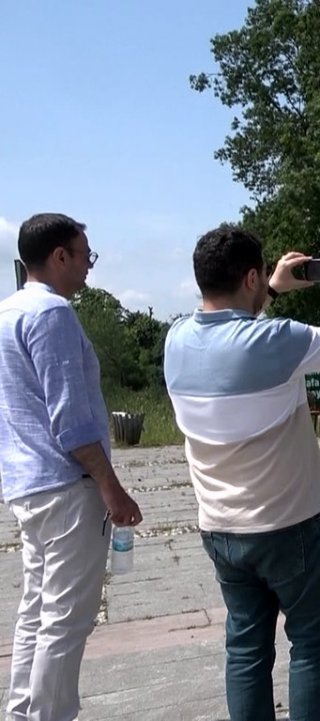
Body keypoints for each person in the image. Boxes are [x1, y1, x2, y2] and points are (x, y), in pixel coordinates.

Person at [163, 225, 320, 721]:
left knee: (247, 648)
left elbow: (233, 331)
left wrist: (271, 288)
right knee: (312, 645)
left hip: (220, 529)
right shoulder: (276, 338)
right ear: (250, 275)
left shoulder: (176, 340)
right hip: (290, 525)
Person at [0, 212, 144, 721]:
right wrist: (112, 489)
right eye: (86, 255)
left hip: (26, 484)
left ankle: (22, 712)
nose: (89, 267)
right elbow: (72, 418)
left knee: (36, 611)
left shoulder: (7, 312)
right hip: (66, 484)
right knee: (66, 619)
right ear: (59, 256)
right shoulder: (52, 314)